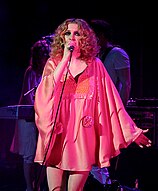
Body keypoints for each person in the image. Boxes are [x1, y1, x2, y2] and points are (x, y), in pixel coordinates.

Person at [33, 18, 151, 191]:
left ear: (85, 38)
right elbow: (46, 91)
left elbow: (113, 101)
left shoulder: (95, 65)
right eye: (67, 33)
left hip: (82, 134)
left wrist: (132, 132)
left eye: (77, 33)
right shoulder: (53, 63)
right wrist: (65, 58)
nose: (71, 37)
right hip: (57, 131)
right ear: (62, 38)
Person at [88, 19, 132, 188]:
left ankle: (106, 184)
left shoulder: (117, 54)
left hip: (109, 110)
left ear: (101, 36)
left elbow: (126, 84)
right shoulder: (93, 56)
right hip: (92, 110)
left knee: (103, 154)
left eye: (92, 35)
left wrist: (120, 112)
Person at [10, 38, 51, 191]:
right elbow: (27, 96)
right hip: (28, 116)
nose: (44, 60)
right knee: (29, 153)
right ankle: (29, 187)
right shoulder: (31, 71)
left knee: (43, 154)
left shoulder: (50, 72)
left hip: (43, 116)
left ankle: (38, 186)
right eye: (41, 57)